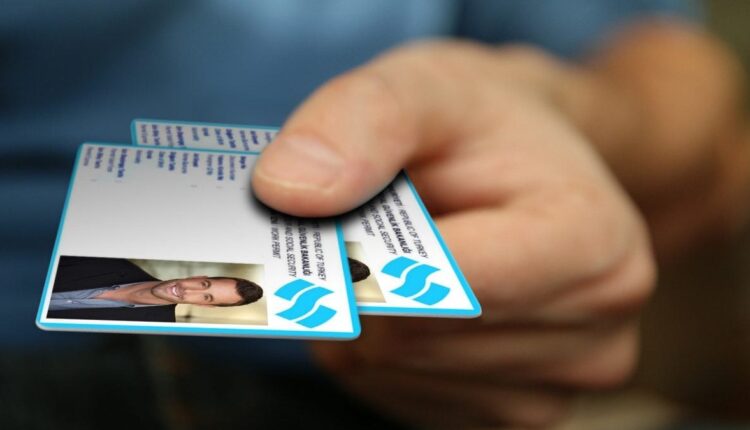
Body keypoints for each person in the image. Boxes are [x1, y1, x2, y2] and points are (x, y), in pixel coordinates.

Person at [3, 1, 748, 428]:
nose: (196, 289)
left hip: (386, 386)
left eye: (206, 289)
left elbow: (688, 91)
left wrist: (570, 111)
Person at [46, 256, 263, 322]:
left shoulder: (151, 330)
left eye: (206, 297)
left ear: (207, 306)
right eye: (203, 285)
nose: (188, 292)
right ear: (198, 277)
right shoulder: (108, 262)